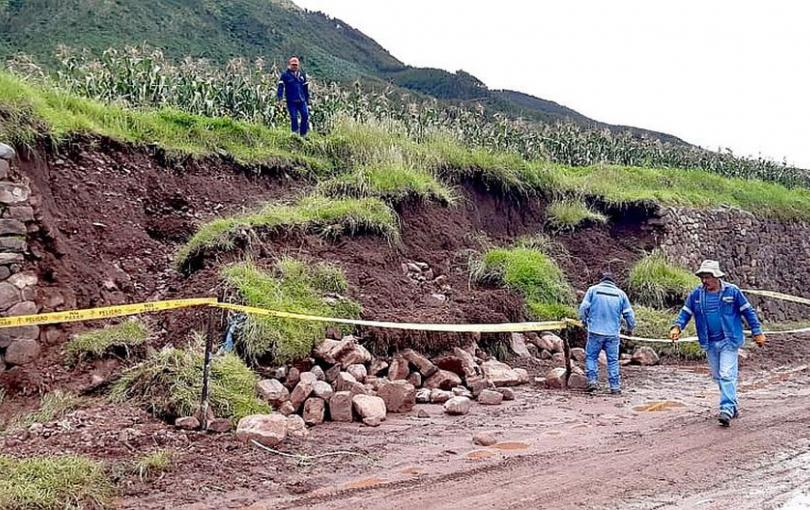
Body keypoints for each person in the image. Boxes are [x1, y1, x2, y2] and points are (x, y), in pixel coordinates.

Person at [669, 260, 766, 427]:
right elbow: (686, 312)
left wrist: (757, 331)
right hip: (709, 342)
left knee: (727, 374)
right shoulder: (697, 295)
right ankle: (732, 406)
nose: (704, 281)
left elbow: (747, 311)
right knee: (718, 376)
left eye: (707, 277)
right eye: (702, 277)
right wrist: (677, 327)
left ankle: (726, 409)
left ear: (716, 276)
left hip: (729, 340)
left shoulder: (732, 292)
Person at [578, 272, 636, 395]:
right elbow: (629, 315)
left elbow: (583, 308)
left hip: (595, 331)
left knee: (591, 357)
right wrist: (630, 328)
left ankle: (592, 382)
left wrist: (584, 321)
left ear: (602, 281)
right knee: (613, 360)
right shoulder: (621, 294)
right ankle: (615, 387)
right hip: (613, 334)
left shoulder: (593, 290)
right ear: (613, 283)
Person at [277, 56, 310, 136]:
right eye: (293, 65)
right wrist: (280, 99)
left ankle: (303, 135)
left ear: (298, 65)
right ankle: (294, 134)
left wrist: (308, 101)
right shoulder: (285, 75)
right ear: (289, 65)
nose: (294, 66)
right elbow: (280, 87)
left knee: (305, 116)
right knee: (294, 117)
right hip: (291, 101)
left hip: (302, 100)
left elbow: (305, 89)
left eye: (296, 65)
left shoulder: (302, 75)